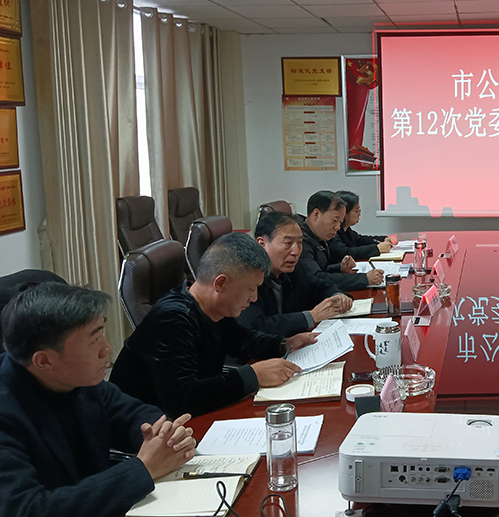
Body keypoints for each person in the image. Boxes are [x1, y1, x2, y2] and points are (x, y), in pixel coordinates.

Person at [0, 283, 196, 517]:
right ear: (44, 360)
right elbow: (24, 509)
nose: (107, 349)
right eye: (93, 341)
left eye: (101, 331)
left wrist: (165, 436)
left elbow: (135, 414)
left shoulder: (78, 380)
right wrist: (143, 469)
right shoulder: (7, 411)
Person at [111, 232, 311, 417]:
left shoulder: (211, 307)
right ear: (220, 284)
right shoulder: (172, 319)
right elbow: (182, 399)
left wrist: (283, 344)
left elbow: (241, 340)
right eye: (250, 289)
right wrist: (253, 376)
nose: (254, 298)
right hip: (147, 426)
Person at [238, 211, 353, 337]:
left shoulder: (293, 270)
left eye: (299, 243)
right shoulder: (246, 278)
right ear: (262, 244)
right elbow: (255, 327)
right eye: (288, 243)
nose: (296, 251)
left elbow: (317, 286)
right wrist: (311, 316)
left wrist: (337, 296)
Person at [298, 190, 383, 291]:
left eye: (340, 222)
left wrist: (339, 267)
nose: (338, 227)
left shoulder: (317, 236)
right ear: (316, 214)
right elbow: (316, 279)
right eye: (334, 220)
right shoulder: (299, 241)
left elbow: (321, 269)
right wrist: (364, 279)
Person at [329, 190, 393, 261]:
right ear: (344, 212)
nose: (359, 214)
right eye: (356, 211)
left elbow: (360, 240)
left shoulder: (346, 230)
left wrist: (383, 239)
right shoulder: (332, 232)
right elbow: (345, 252)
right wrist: (377, 249)